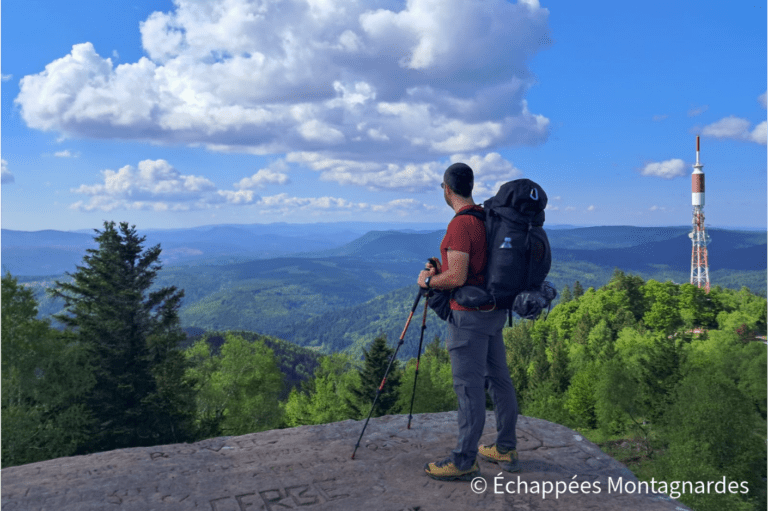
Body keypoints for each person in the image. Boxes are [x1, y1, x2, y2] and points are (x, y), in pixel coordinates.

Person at [417, 162, 521, 481]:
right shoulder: (487, 219)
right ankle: (505, 448)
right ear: (471, 187)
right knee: (500, 380)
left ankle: (464, 460)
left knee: (468, 389)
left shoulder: (462, 224)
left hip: (469, 319)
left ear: (447, 189)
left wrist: (428, 281)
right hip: (494, 311)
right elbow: (475, 268)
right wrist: (444, 270)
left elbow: (458, 277)